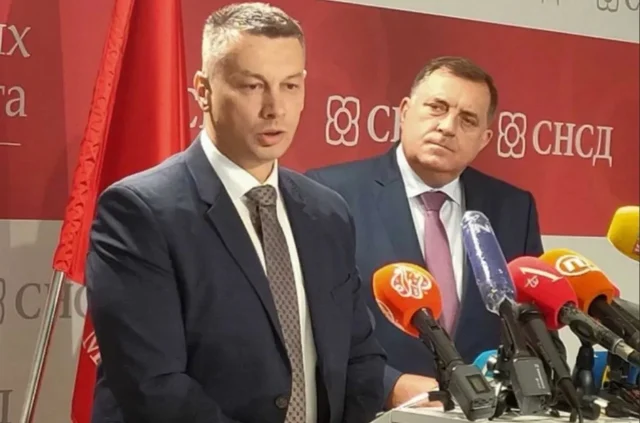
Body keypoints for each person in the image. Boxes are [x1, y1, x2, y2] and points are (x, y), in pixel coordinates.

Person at [86, 3, 386, 422]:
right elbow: (153, 385)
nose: (275, 108)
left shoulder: (327, 212)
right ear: (203, 90)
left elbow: (360, 356)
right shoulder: (139, 212)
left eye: (290, 86)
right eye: (252, 86)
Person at [306, 56, 564, 408]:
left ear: (484, 139)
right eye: (436, 107)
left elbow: (534, 329)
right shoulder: (330, 195)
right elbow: (312, 327)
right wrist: (390, 386)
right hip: (374, 411)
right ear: (404, 111)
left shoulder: (513, 208)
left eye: (467, 119)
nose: (447, 127)